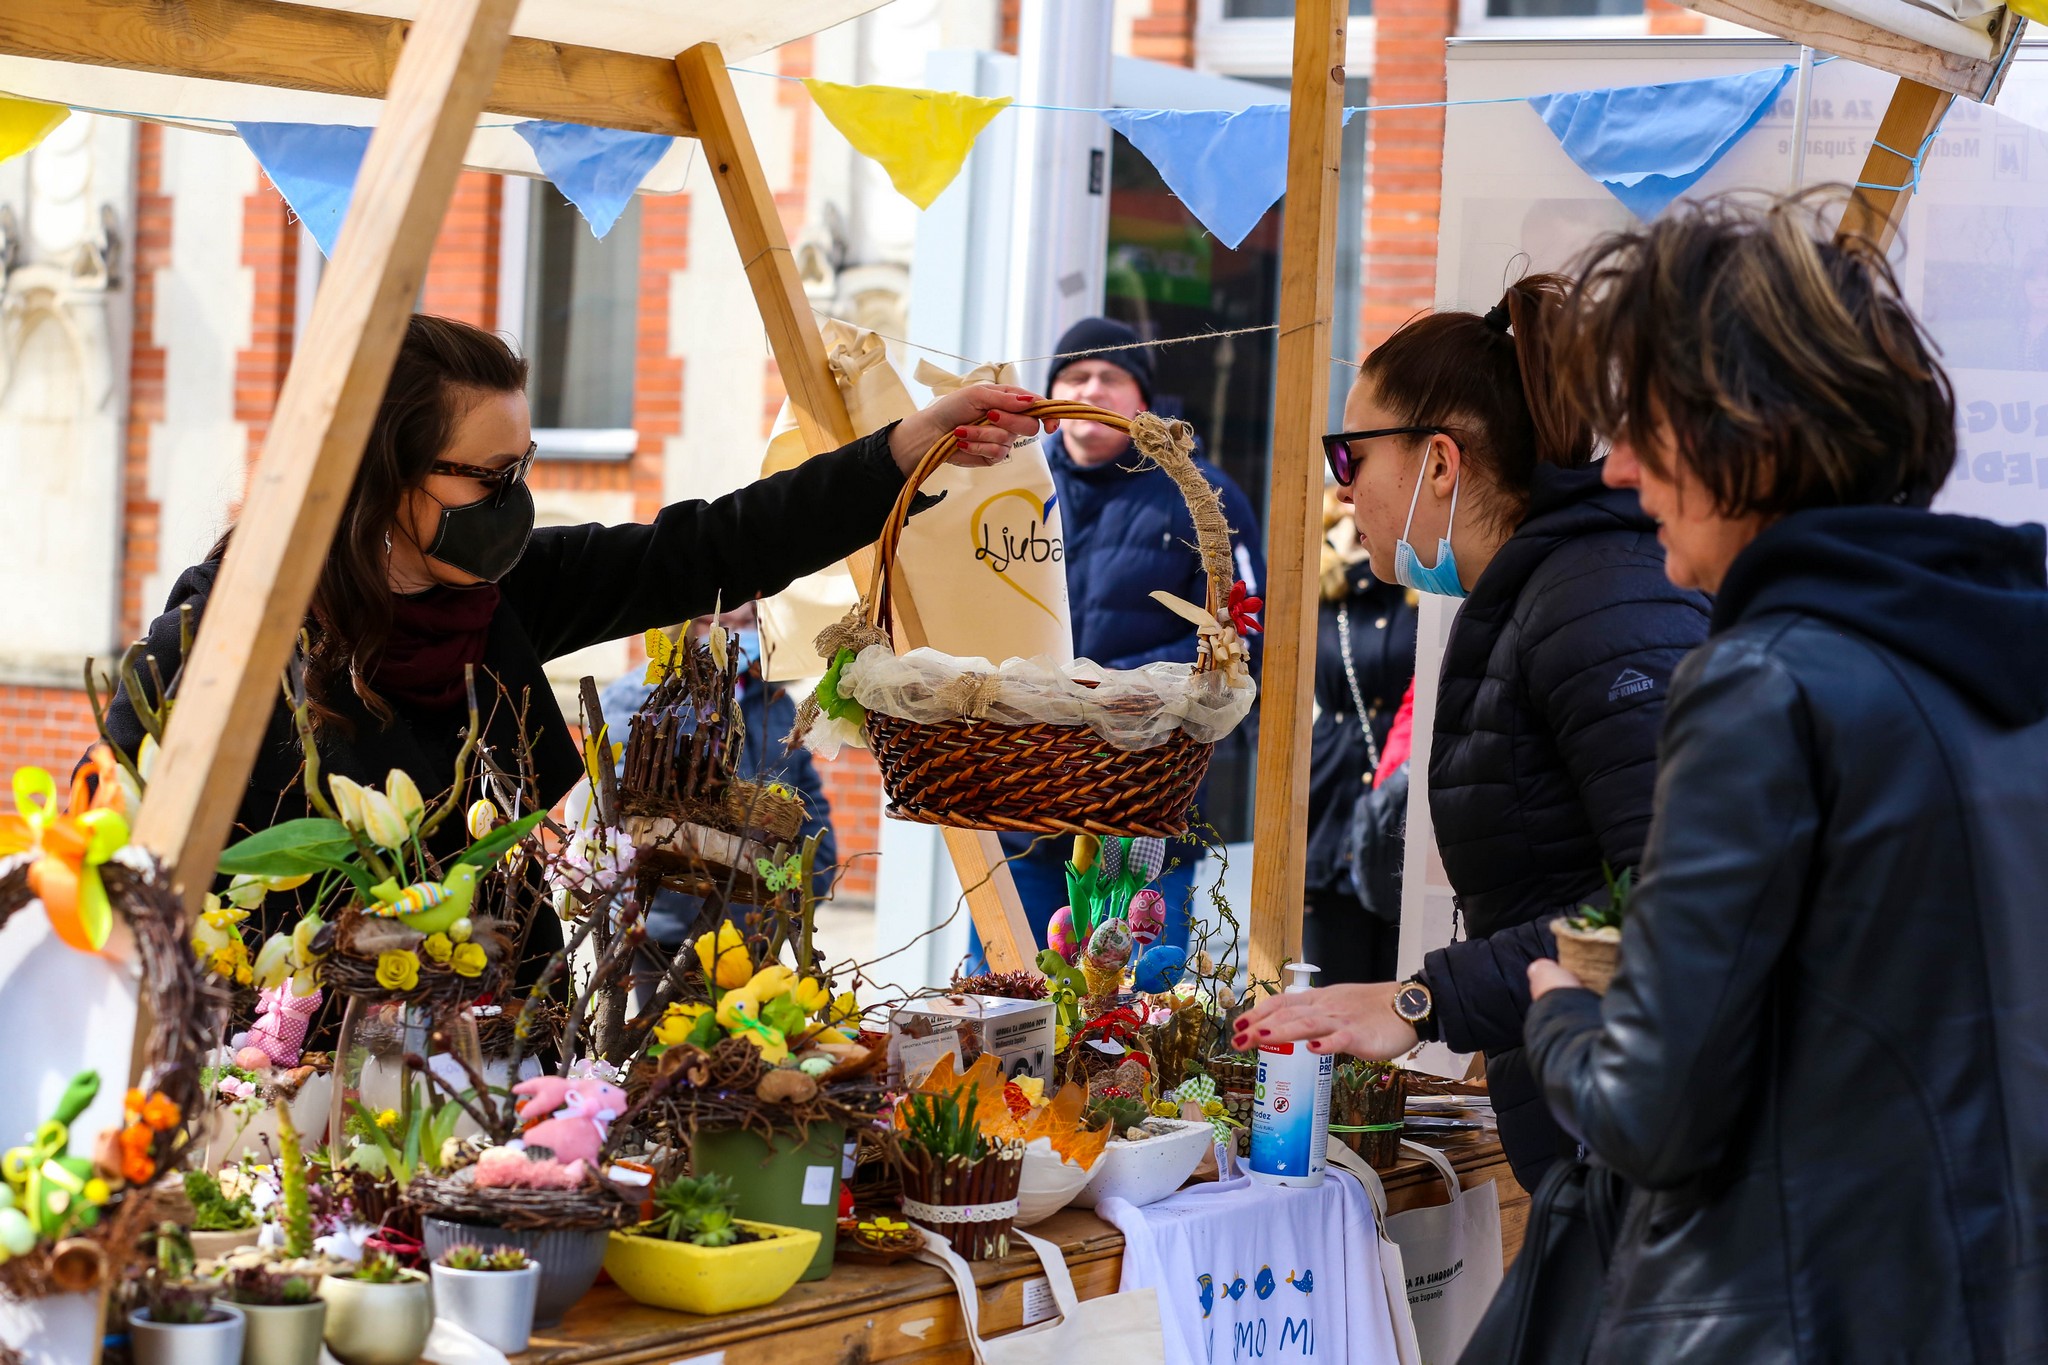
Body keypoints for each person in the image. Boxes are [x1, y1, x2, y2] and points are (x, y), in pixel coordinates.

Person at [1516, 195, 2048, 1360]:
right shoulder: (2001, 653)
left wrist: (1557, 1017)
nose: (1615, 470)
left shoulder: (1761, 682)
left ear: (1740, 434)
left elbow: (1651, 1112)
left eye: (1643, 427)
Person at [106, 313, 1049, 967]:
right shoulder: (231, 631)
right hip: (299, 1065)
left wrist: (899, 449)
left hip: (508, 1044)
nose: (515, 499)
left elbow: (709, 546)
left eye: (525, 466)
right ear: (381, 471)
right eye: (489, 475)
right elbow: (136, 851)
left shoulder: (500, 595)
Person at [1232, 275, 1710, 1191]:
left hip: (1646, 1145)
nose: (1342, 493)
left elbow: (1675, 900)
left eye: (1351, 457)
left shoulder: (1596, 600)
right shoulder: (1542, 594)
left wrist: (1420, 1000)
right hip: (1598, 1126)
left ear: (1441, 462)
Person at [975, 316, 1266, 967]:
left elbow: (1244, 645)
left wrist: (1101, 685)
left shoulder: (1204, 499)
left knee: (1131, 1016)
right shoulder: (1007, 493)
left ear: (1144, 399)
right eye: (1076, 375)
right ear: (1050, 399)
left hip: (1145, 815)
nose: (1093, 387)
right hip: (1021, 810)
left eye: (1112, 375)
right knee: (1008, 998)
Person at [593, 603, 835, 1003]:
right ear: (685, 626)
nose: (734, 633)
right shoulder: (639, 698)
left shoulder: (773, 702)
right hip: (670, 931)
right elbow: (616, 805)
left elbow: (808, 799)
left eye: (746, 623)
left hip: (757, 923)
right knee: (672, 1053)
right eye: (716, 622)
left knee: (758, 1051)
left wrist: (811, 882)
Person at [1304, 492, 1415, 983]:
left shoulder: (1424, 589)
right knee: (1331, 975)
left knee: (1403, 977)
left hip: (1404, 785)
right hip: (1332, 793)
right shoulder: (1322, 593)